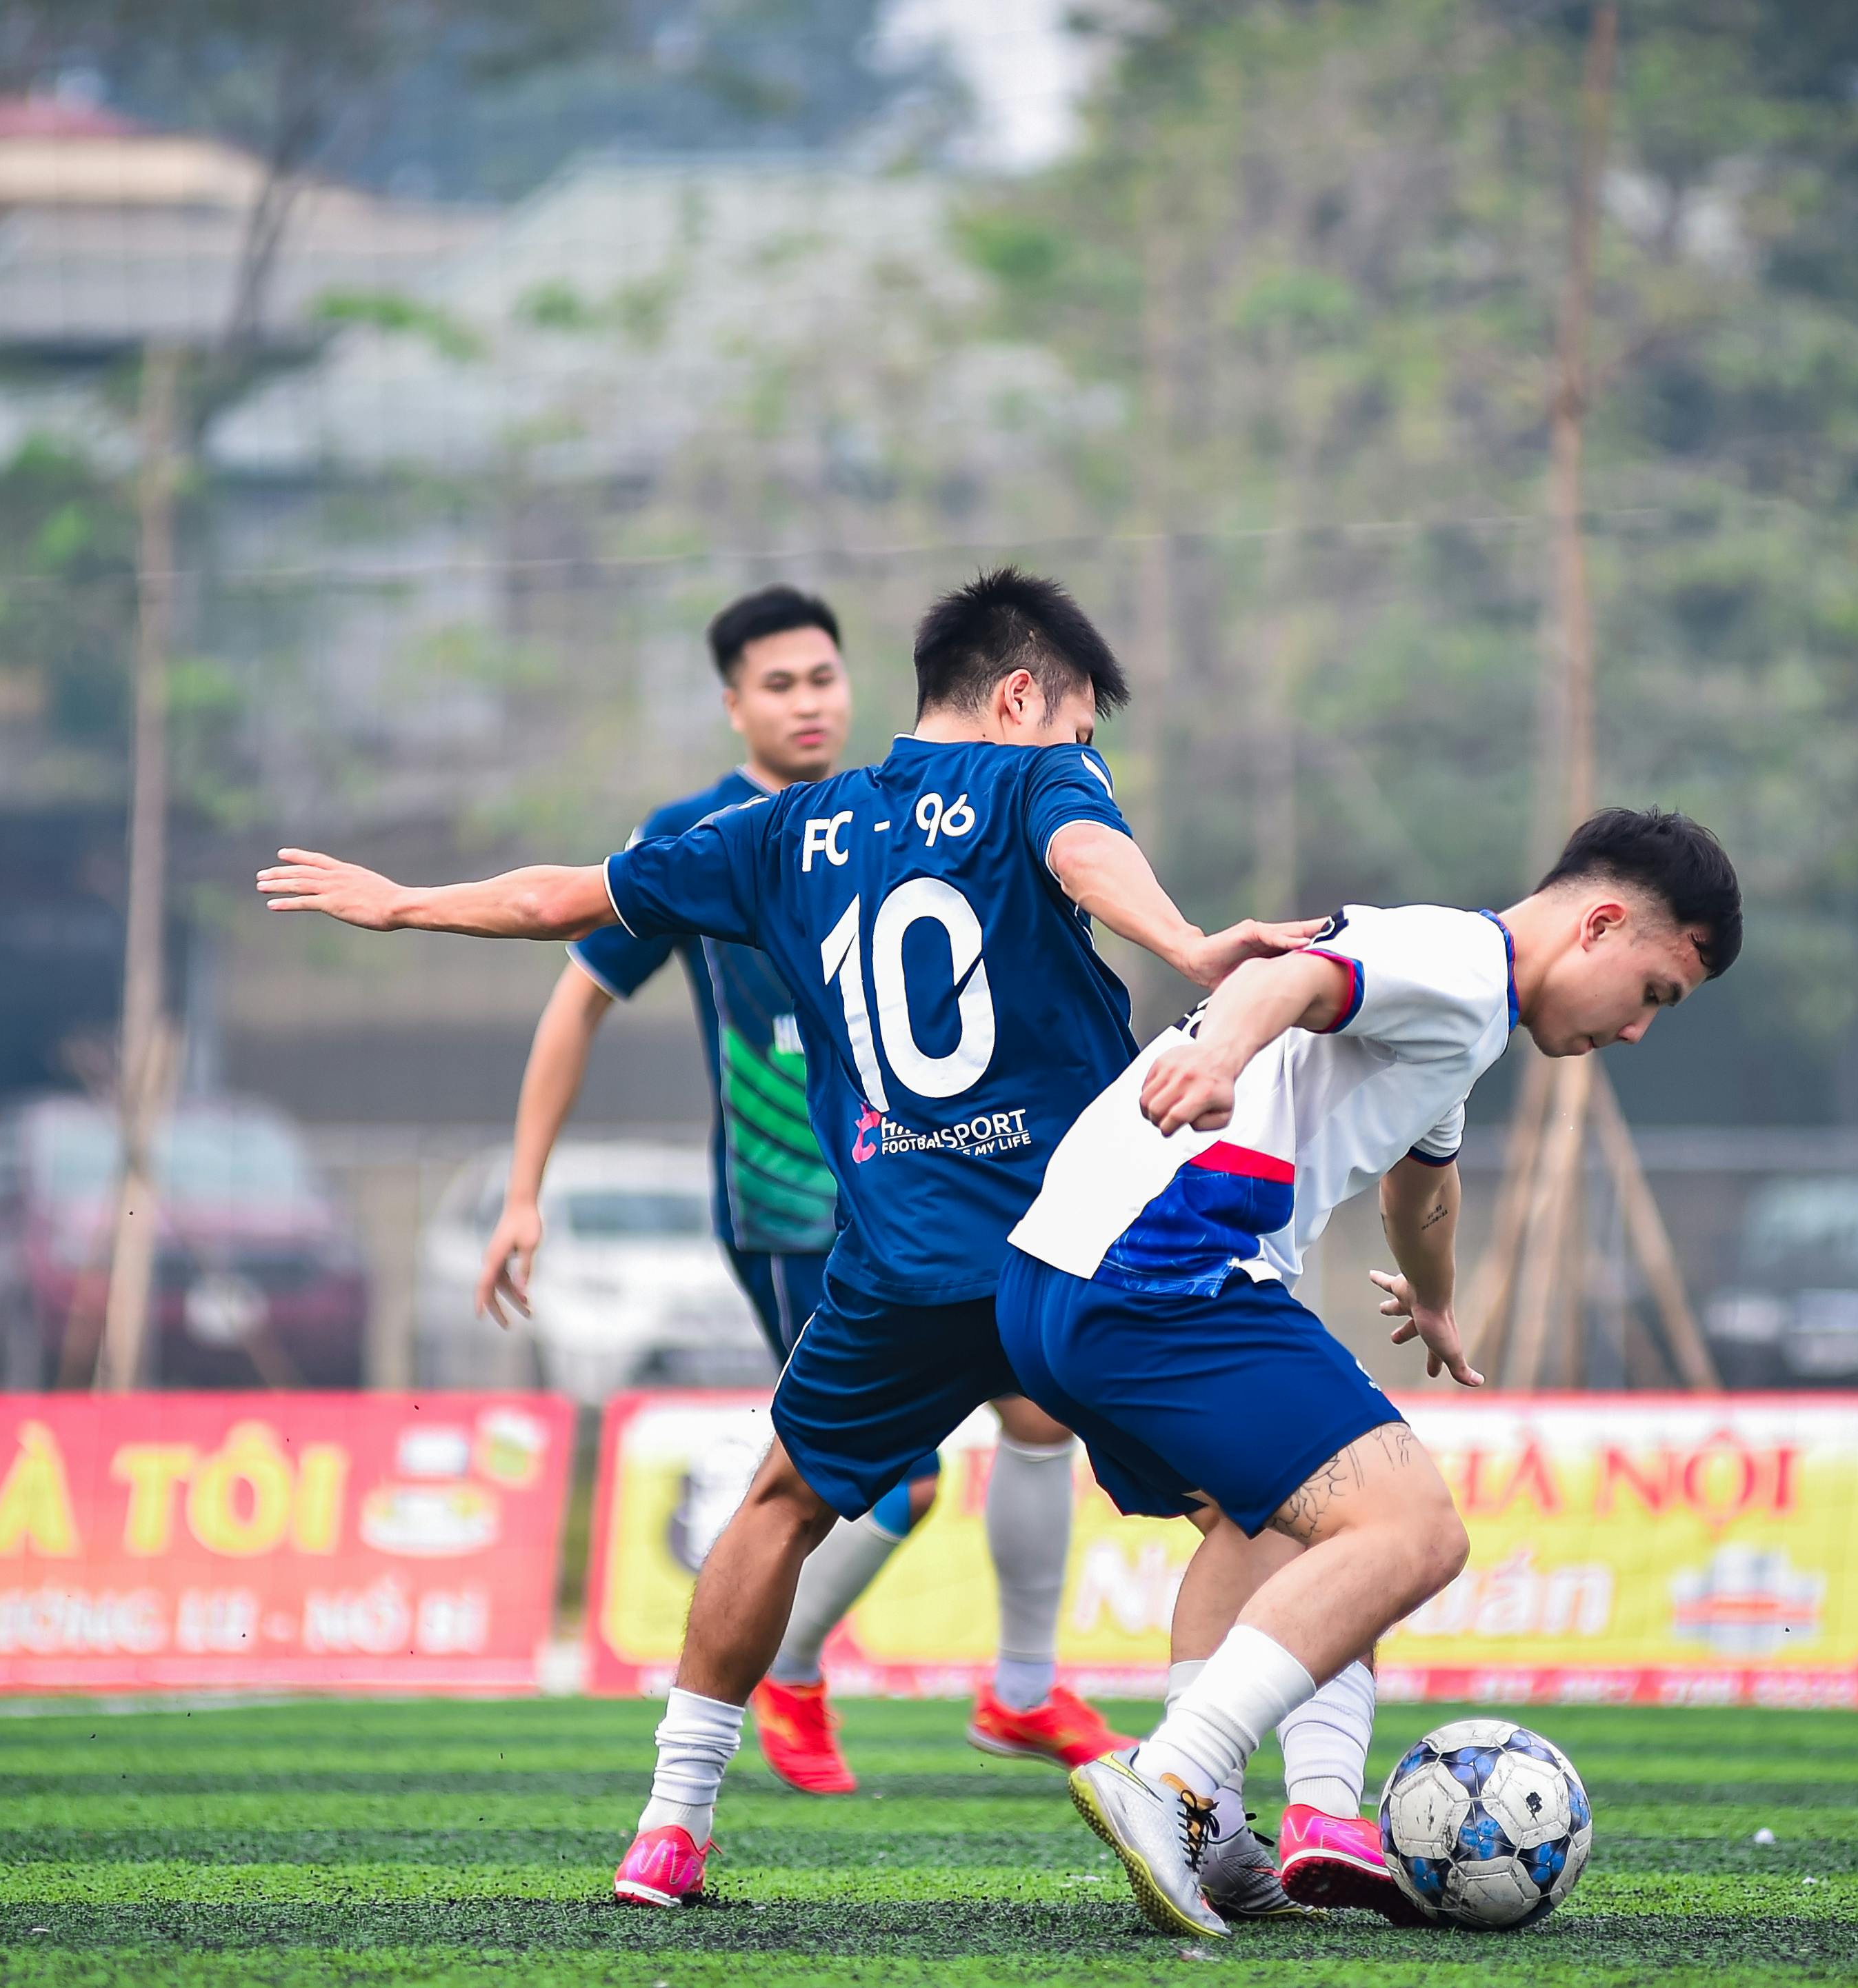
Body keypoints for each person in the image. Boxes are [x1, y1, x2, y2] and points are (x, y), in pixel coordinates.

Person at [257, 567, 1313, 1910]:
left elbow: (560, 899)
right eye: (1081, 723)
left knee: (780, 1502)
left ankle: (670, 1826)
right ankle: (1208, 1815)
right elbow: (1087, 859)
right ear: (1017, 694)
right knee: (1253, 1501)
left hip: (895, 1259)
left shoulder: (780, 832)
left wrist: (401, 902)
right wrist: (1188, 939)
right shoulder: (1034, 781)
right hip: (1072, 1250)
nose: (1087, 751)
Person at [1006, 810, 1741, 1938]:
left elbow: (1418, 1184)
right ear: (1601, 924)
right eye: (1655, 994)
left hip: (1055, 1275)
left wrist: (1436, 1298)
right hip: (1169, 1266)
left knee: (1261, 1530)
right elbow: (1292, 982)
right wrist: (1218, 1052)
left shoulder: (1458, 1002)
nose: (1639, 1031)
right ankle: (1172, 1780)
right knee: (1415, 1534)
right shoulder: (1455, 962)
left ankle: (1227, 1843)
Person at [480, 583, 985, 1799]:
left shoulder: (882, 813)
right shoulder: (700, 833)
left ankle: (1020, 1683)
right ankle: (793, 1665)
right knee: (904, 1476)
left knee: (1028, 1419)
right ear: (733, 704)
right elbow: (579, 993)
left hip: (912, 1191)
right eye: (778, 684)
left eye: (823, 678)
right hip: (787, 1205)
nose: (808, 702)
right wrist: (523, 1192)